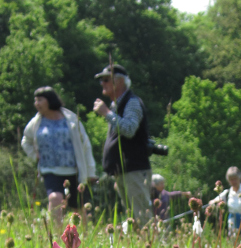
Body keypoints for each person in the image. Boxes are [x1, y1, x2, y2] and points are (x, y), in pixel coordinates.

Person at [21, 86, 96, 223]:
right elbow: (26, 141)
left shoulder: (70, 118)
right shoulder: (36, 122)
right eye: (35, 101)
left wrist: (91, 171)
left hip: (73, 170)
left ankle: (83, 237)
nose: (36, 104)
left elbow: (85, 144)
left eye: (39, 100)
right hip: (49, 169)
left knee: (78, 207)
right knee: (55, 198)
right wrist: (34, 155)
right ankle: (56, 237)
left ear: (50, 100)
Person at [93, 64, 152, 224]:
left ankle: (151, 245)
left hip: (134, 169)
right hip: (123, 171)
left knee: (142, 216)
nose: (102, 84)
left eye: (106, 80)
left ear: (119, 82)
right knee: (132, 217)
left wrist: (106, 113)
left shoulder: (132, 102)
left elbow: (129, 129)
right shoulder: (116, 105)